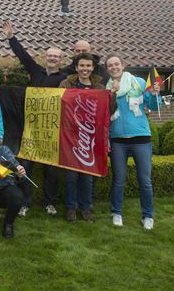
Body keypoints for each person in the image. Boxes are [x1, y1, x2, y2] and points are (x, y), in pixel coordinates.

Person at [2, 20, 66, 217]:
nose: (52, 58)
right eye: (50, 55)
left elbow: (86, 71)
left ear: (61, 60)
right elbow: (23, 56)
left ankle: (49, 202)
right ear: (45, 57)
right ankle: (26, 202)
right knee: (25, 168)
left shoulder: (65, 78)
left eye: (56, 56)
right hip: (30, 130)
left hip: (51, 132)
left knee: (51, 172)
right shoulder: (36, 71)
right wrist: (12, 37)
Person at [106, 54, 159, 230]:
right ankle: (117, 212)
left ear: (123, 65)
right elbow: (103, 113)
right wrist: (111, 94)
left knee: (145, 180)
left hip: (141, 139)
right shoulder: (106, 89)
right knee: (119, 179)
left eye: (116, 64)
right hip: (117, 140)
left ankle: (148, 215)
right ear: (107, 69)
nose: (114, 67)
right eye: (110, 65)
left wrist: (153, 93)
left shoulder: (139, 83)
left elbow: (153, 106)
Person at [58, 53, 107, 222]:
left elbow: (108, 110)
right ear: (76, 67)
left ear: (92, 68)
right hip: (70, 136)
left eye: (88, 66)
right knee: (71, 176)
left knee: (87, 175)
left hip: (90, 137)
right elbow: (58, 104)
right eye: (82, 66)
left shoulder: (100, 87)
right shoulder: (66, 84)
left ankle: (86, 208)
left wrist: (112, 95)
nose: (85, 69)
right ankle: (71, 208)